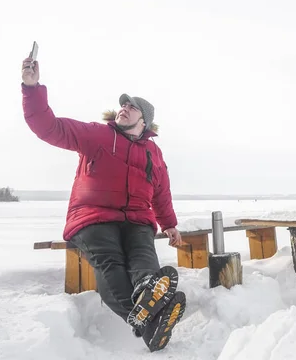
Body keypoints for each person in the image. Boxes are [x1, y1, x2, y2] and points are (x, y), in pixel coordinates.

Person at [20, 55, 186, 352]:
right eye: (122, 105)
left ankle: (148, 291)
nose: (124, 108)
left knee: (143, 257)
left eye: (131, 106)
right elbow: (49, 127)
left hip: (136, 219)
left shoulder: (153, 152)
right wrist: (31, 88)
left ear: (144, 120)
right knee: (111, 264)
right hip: (92, 218)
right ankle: (150, 321)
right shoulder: (97, 135)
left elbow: (161, 191)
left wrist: (169, 223)